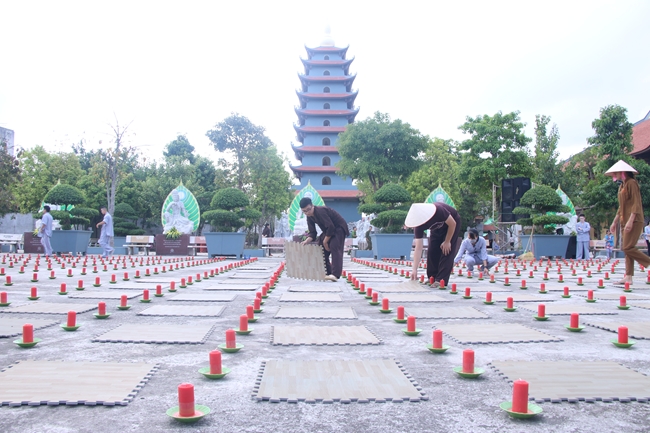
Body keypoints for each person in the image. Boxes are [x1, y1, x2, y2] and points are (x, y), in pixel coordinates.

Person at [606, 160, 650, 285]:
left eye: (616, 172)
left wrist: (631, 220)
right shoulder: (622, 186)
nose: (614, 175)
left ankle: (648, 262)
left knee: (627, 247)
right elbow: (621, 207)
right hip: (624, 220)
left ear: (622, 172)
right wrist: (614, 222)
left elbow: (636, 203)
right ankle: (628, 276)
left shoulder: (632, 183)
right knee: (627, 249)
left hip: (634, 219)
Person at [407, 202, 461, 288]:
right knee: (432, 250)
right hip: (437, 228)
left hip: (452, 224)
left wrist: (447, 241)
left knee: (446, 250)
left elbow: (452, 224)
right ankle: (432, 277)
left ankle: (441, 280)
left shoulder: (438, 210)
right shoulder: (418, 226)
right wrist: (414, 269)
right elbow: (418, 248)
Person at [299, 197, 349, 282]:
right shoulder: (309, 217)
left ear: (312, 205)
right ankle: (327, 272)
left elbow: (331, 227)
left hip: (339, 228)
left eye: (308, 209)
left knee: (334, 246)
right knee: (320, 247)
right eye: (304, 211)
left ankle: (335, 274)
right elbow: (313, 233)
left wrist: (325, 241)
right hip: (328, 231)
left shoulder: (320, 211)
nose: (307, 212)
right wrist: (306, 241)